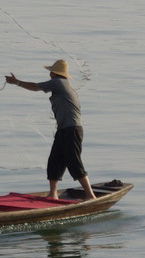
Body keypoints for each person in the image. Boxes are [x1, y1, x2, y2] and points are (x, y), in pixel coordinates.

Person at [5, 60, 96, 200]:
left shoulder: (58, 82)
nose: (50, 73)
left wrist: (16, 82)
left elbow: (35, 87)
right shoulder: (65, 85)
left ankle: (90, 195)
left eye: (51, 71)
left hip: (71, 130)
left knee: (74, 162)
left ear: (55, 73)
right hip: (64, 130)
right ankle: (53, 194)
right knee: (54, 160)